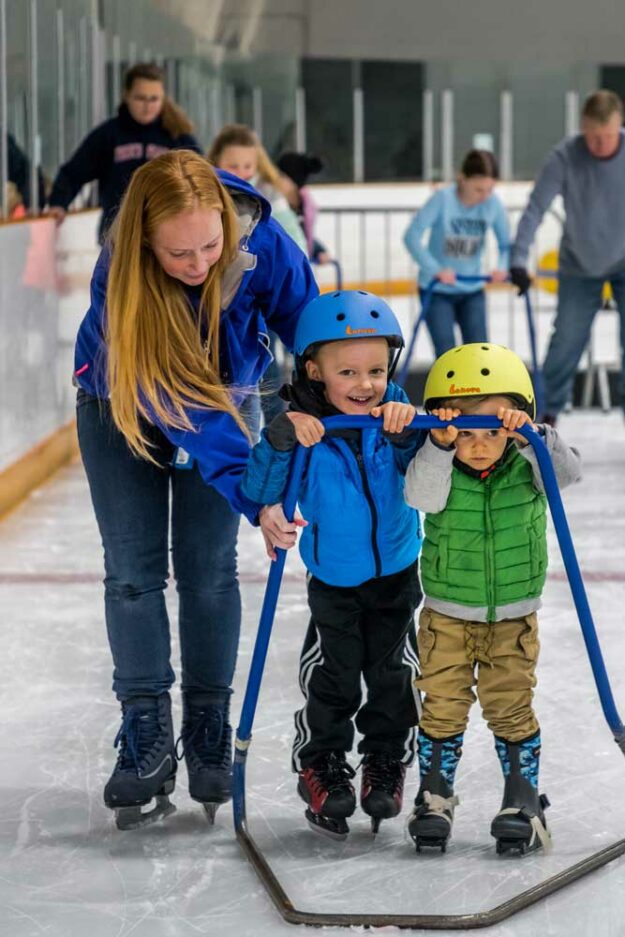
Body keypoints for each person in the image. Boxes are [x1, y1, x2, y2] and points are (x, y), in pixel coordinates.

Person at [74, 149, 318, 830]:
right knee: (132, 572)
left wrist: (346, 391)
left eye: (211, 244)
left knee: (210, 570)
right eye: (179, 253)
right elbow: (191, 410)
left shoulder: (257, 234)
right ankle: (145, 731)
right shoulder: (117, 276)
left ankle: (208, 723)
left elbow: (310, 322)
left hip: (224, 396)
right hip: (119, 405)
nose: (200, 262)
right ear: (145, 243)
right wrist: (254, 491)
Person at [241, 290, 425, 839]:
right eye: (347, 371)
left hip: (397, 570)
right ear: (315, 370)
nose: (365, 385)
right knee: (334, 677)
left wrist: (410, 428)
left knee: (394, 678)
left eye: (375, 369)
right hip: (334, 581)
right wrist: (278, 440)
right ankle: (319, 762)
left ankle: (384, 762)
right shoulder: (298, 429)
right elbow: (260, 491)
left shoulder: (392, 417)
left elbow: (429, 472)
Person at [403, 343, 581, 855]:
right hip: (446, 617)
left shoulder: (528, 465)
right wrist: (436, 445)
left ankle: (522, 800)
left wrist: (534, 436)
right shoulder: (436, 462)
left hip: (513, 617)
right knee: (442, 707)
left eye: (493, 432)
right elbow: (421, 499)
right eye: (465, 433)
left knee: (511, 707)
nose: (479, 446)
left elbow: (567, 475)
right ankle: (434, 796)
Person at [510, 89, 625, 425]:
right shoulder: (565, 156)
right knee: (566, 339)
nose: (600, 145)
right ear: (582, 128)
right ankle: (545, 413)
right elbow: (535, 209)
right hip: (579, 261)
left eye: (607, 137)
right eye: (593, 137)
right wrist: (518, 259)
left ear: (618, 127)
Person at [208, 124, 308, 428]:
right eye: (232, 166)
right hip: (227, 300)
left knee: (266, 367)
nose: (241, 172)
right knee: (253, 369)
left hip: (263, 299)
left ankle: (278, 426)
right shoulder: (205, 195)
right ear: (215, 163)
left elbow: (294, 241)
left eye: (248, 166)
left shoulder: (268, 197)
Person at [48, 63, 201, 241]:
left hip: (167, 234)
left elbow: (202, 176)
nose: (147, 106)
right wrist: (58, 202)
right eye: (140, 98)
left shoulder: (177, 136)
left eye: (154, 99)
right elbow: (73, 172)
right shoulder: (108, 135)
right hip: (118, 235)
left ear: (163, 99)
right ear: (126, 96)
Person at [403, 150, 510, 358]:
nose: (485, 196)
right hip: (437, 290)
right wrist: (436, 269)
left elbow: (506, 244)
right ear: (462, 179)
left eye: (490, 189)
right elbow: (412, 236)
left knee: (479, 354)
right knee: (447, 354)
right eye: (479, 189)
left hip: (472, 290)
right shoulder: (442, 199)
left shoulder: (493, 204)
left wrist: (502, 268)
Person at [276, 151, 332, 263]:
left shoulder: (305, 205)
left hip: (295, 265)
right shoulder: (274, 203)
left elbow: (303, 237)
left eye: (280, 175)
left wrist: (319, 250)